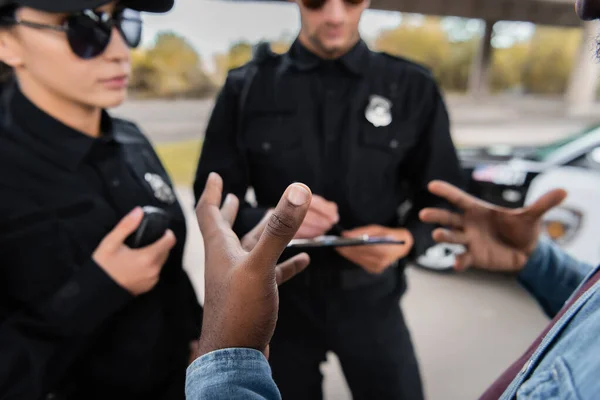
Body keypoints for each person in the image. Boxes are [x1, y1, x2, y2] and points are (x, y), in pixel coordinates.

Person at [193, 0, 464, 397]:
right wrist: (272, 220)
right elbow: (214, 199)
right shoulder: (247, 86)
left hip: (372, 298)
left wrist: (405, 241)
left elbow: (444, 195)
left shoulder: (411, 85)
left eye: (350, 0)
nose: (335, 15)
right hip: (278, 301)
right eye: (318, 2)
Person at [0, 1, 204, 399]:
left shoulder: (132, 139)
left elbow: (171, 276)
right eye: (80, 25)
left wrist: (202, 338)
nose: (118, 50)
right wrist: (96, 290)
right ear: (7, 42)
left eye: (121, 22)